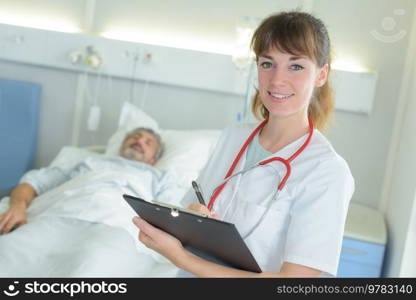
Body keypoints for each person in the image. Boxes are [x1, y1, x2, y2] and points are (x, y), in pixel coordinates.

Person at [132, 11, 355, 278]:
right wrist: (193, 218)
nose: (276, 80)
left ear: (321, 75)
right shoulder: (233, 136)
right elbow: (194, 205)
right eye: (267, 63)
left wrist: (182, 259)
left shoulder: (327, 172)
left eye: (295, 66)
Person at [0, 127, 165, 234]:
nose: (139, 141)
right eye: (136, 136)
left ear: (153, 161)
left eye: (148, 142)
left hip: (115, 227)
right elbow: (34, 182)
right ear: (122, 145)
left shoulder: (158, 178)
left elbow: (171, 215)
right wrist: (17, 206)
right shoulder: (89, 162)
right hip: (60, 215)